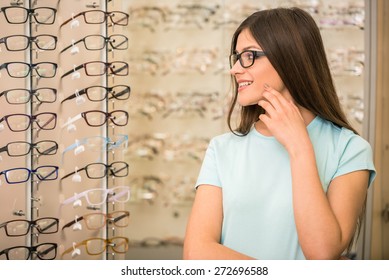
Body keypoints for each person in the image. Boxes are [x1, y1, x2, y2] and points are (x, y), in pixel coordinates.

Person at [183, 7, 376, 260]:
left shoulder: (350, 150)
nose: (235, 69)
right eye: (237, 57)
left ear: (289, 58)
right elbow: (196, 252)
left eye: (249, 56)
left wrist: (299, 147)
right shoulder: (222, 149)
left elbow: (322, 253)